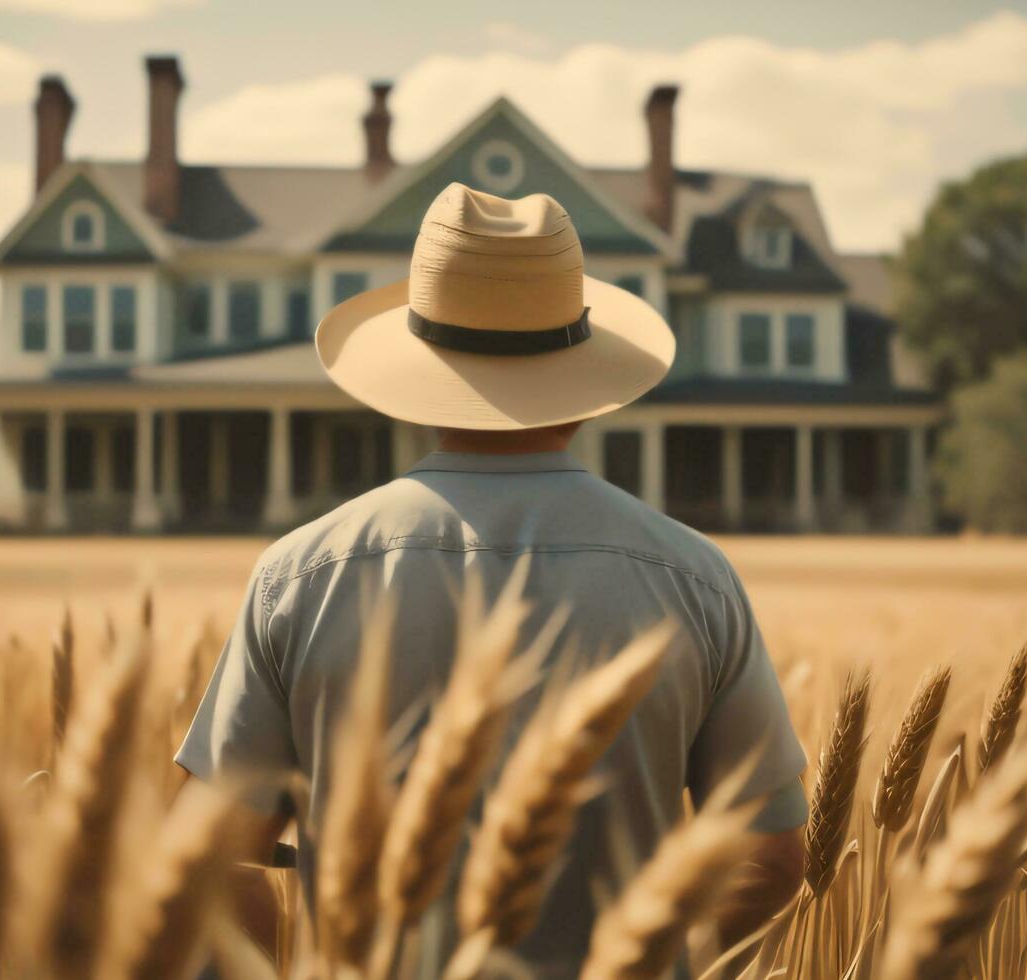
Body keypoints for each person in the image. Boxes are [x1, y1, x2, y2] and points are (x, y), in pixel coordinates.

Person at [176, 182, 808, 976]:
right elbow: (773, 858)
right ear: (584, 383)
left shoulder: (300, 576)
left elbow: (211, 859)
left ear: (420, 375)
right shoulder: (696, 578)